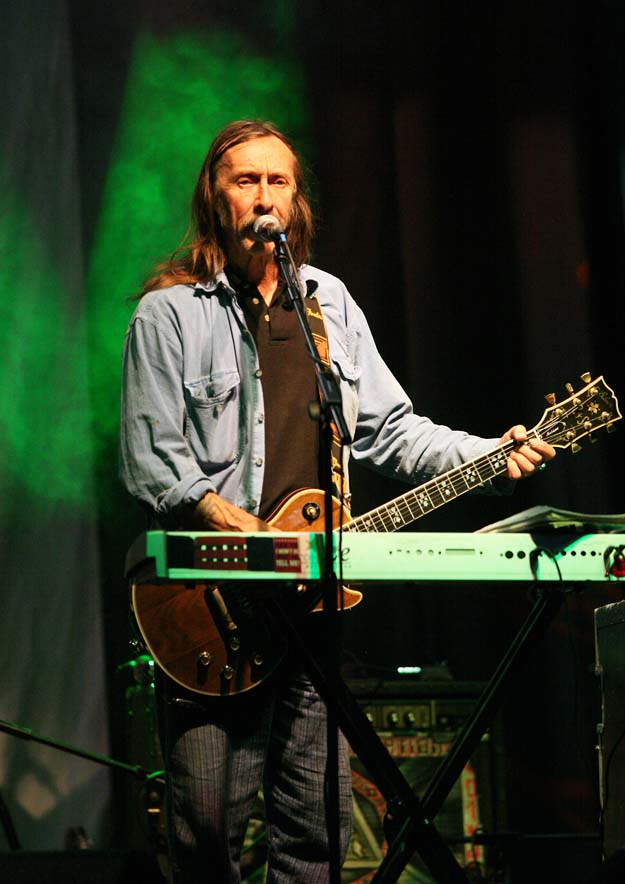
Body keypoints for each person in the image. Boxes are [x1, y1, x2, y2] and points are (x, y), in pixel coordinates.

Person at [119, 119, 555, 883]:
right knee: (207, 827)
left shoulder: (330, 304)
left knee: (316, 829)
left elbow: (391, 430)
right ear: (215, 200)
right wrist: (254, 539)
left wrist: (490, 455)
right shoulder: (170, 313)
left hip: (312, 611)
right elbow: (154, 461)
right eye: (245, 181)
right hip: (210, 605)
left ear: (296, 202)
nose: (263, 197)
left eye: (277, 181)